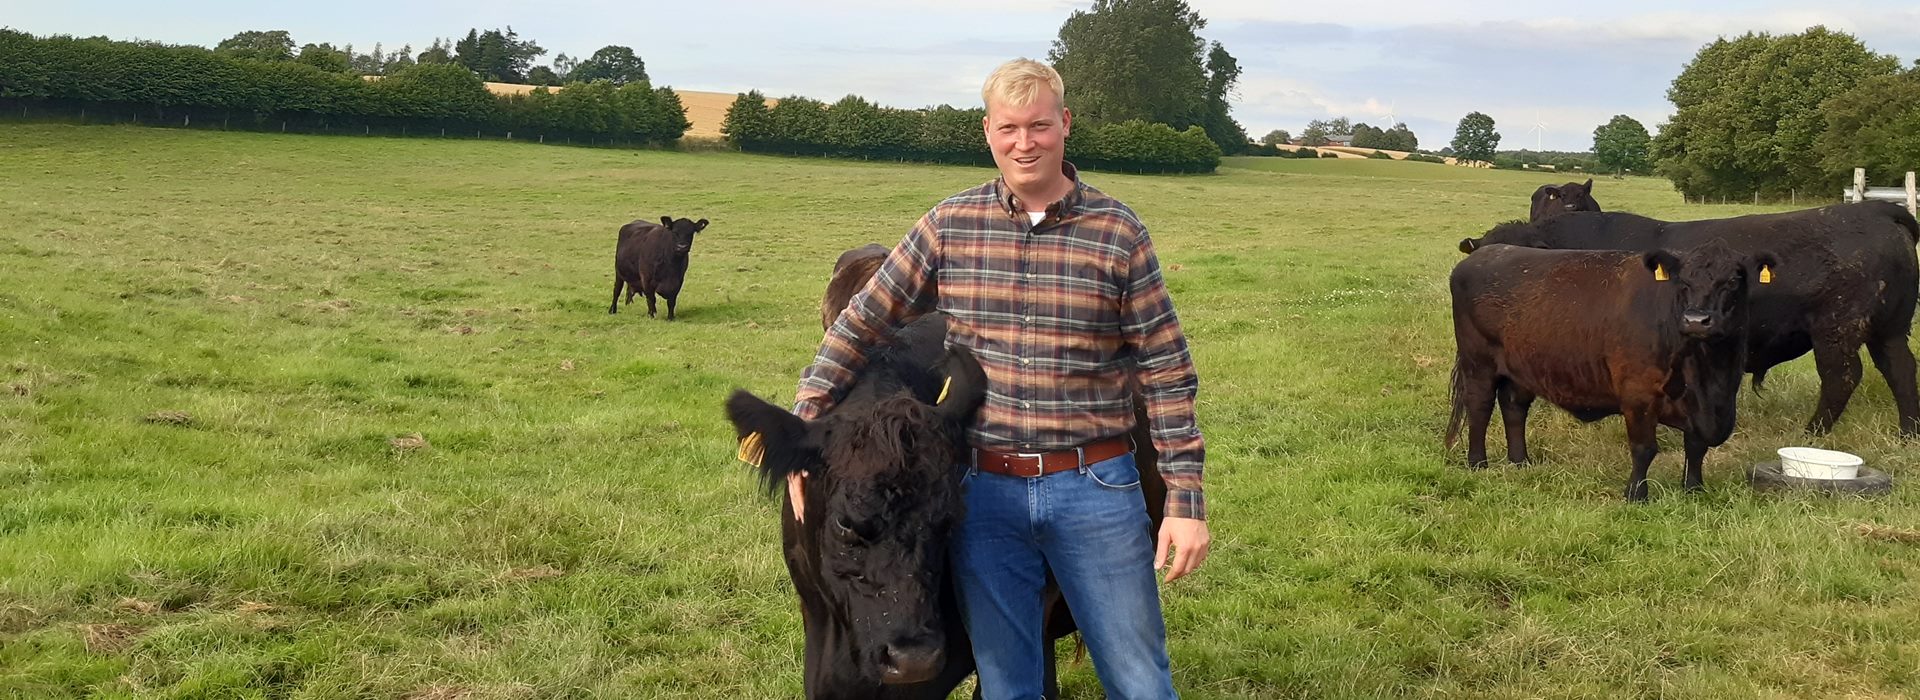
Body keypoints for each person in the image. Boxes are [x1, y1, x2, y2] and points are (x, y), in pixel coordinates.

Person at [790, 57, 1209, 699]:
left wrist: (1183, 498)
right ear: (988, 131)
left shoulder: (1118, 232)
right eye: (1009, 127)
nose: (1025, 142)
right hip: (984, 493)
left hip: (1094, 486)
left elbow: (1167, 369)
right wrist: (807, 416)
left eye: (1039, 125)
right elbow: (860, 322)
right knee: (1010, 685)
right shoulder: (949, 224)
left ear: (1064, 125)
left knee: (1139, 680)